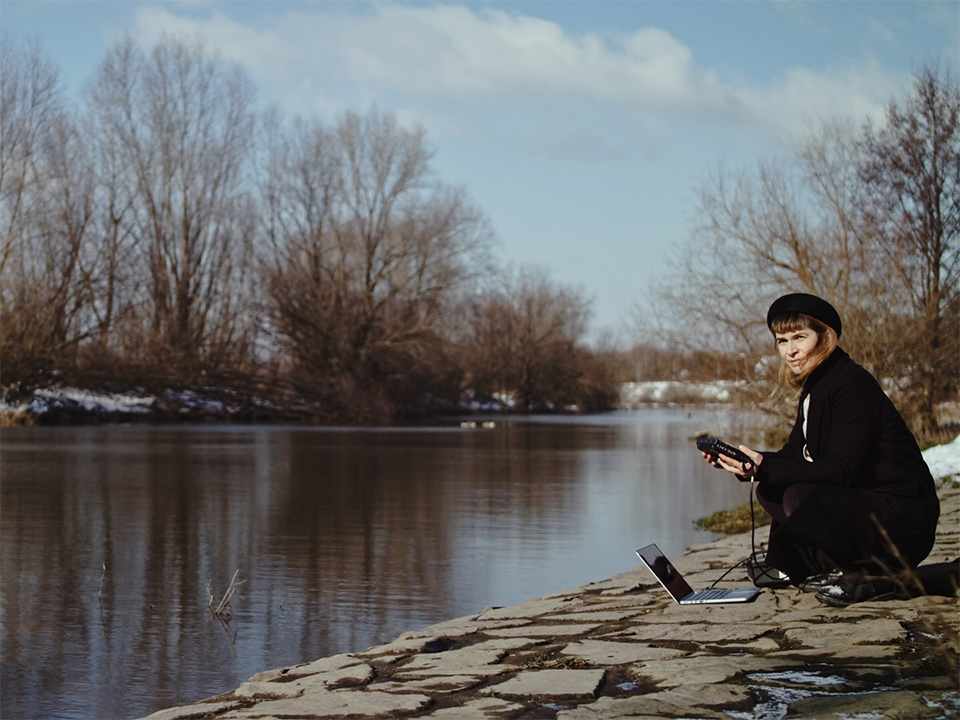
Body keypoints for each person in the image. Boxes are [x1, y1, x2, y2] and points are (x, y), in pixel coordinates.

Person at [702, 293, 941, 607]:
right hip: (870, 508)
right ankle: (803, 564)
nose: (790, 350)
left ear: (825, 337)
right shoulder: (817, 385)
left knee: (798, 496)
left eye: (800, 337)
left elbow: (843, 469)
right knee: (771, 489)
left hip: (903, 518)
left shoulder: (851, 384)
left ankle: (867, 575)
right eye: (782, 340)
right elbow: (793, 455)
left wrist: (768, 468)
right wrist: (748, 464)